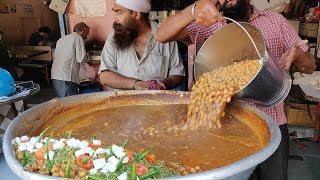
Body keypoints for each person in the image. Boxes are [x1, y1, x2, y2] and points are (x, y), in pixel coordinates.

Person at [155, 0, 316, 180]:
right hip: (222, 125)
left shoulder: (275, 21)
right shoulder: (208, 22)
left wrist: (296, 54)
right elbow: (161, 35)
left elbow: (310, 66)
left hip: (271, 121)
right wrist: (194, 9)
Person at [96, 0, 185, 90]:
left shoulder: (165, 36)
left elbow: (177, 73)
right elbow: (105, 77)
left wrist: (163, 84)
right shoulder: (113, 39)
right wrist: (135, 84)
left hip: (157, 102)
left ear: (136, 14)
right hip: (123, 102)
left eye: (119, 12)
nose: (115, 19)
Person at [51, 22, 90, 97]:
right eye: (87, 33)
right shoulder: (78, 38)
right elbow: (81, 59)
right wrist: (88, 55)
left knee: (63, 102)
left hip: (56, 75)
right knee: (70, 102)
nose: (87, 36)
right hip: (67, 77)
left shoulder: (62, 39)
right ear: (82, 32)